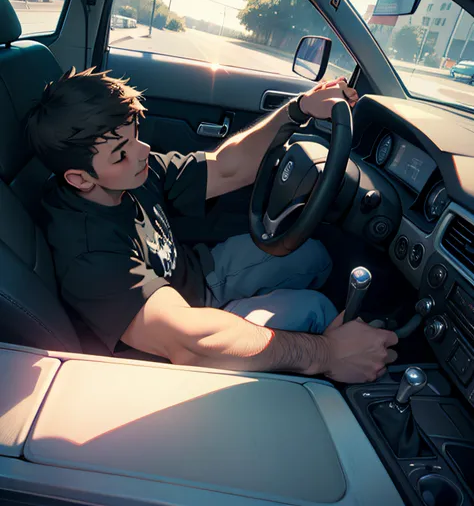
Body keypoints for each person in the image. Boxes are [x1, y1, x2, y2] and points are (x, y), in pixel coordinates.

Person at [27, 67, 398, 382]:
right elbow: (188, 342)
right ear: (79, 179)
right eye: (121, 153)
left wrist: (297, 109)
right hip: (181, 340)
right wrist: (327, 354)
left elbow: (226, 166)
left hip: (197, 274)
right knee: (315, 310)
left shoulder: (131, 172)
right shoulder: (89, 255)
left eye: (135, 135)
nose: (142, 152)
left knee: (313, 254)